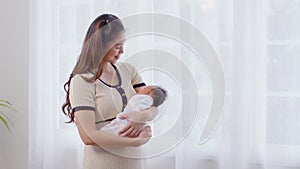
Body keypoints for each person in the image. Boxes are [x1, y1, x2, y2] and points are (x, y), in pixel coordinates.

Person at [62, 14, 157, 169]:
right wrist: (135, 142)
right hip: (102, 163)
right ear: (100, 45)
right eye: (117, 46)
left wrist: (140, 117)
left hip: (134, 162)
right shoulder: (82, 80)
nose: (122, 51)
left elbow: (153, 101)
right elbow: (88, 136)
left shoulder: (128, 70)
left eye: (123, 45)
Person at [101, 85, 167, 136]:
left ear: (149, 91)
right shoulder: (147, 100)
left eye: (144, 88)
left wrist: (137, 117)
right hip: (128, 119)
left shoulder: (146, 99)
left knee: (113, 130)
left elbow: (141, 108)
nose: (141, 90)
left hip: (127, 118)